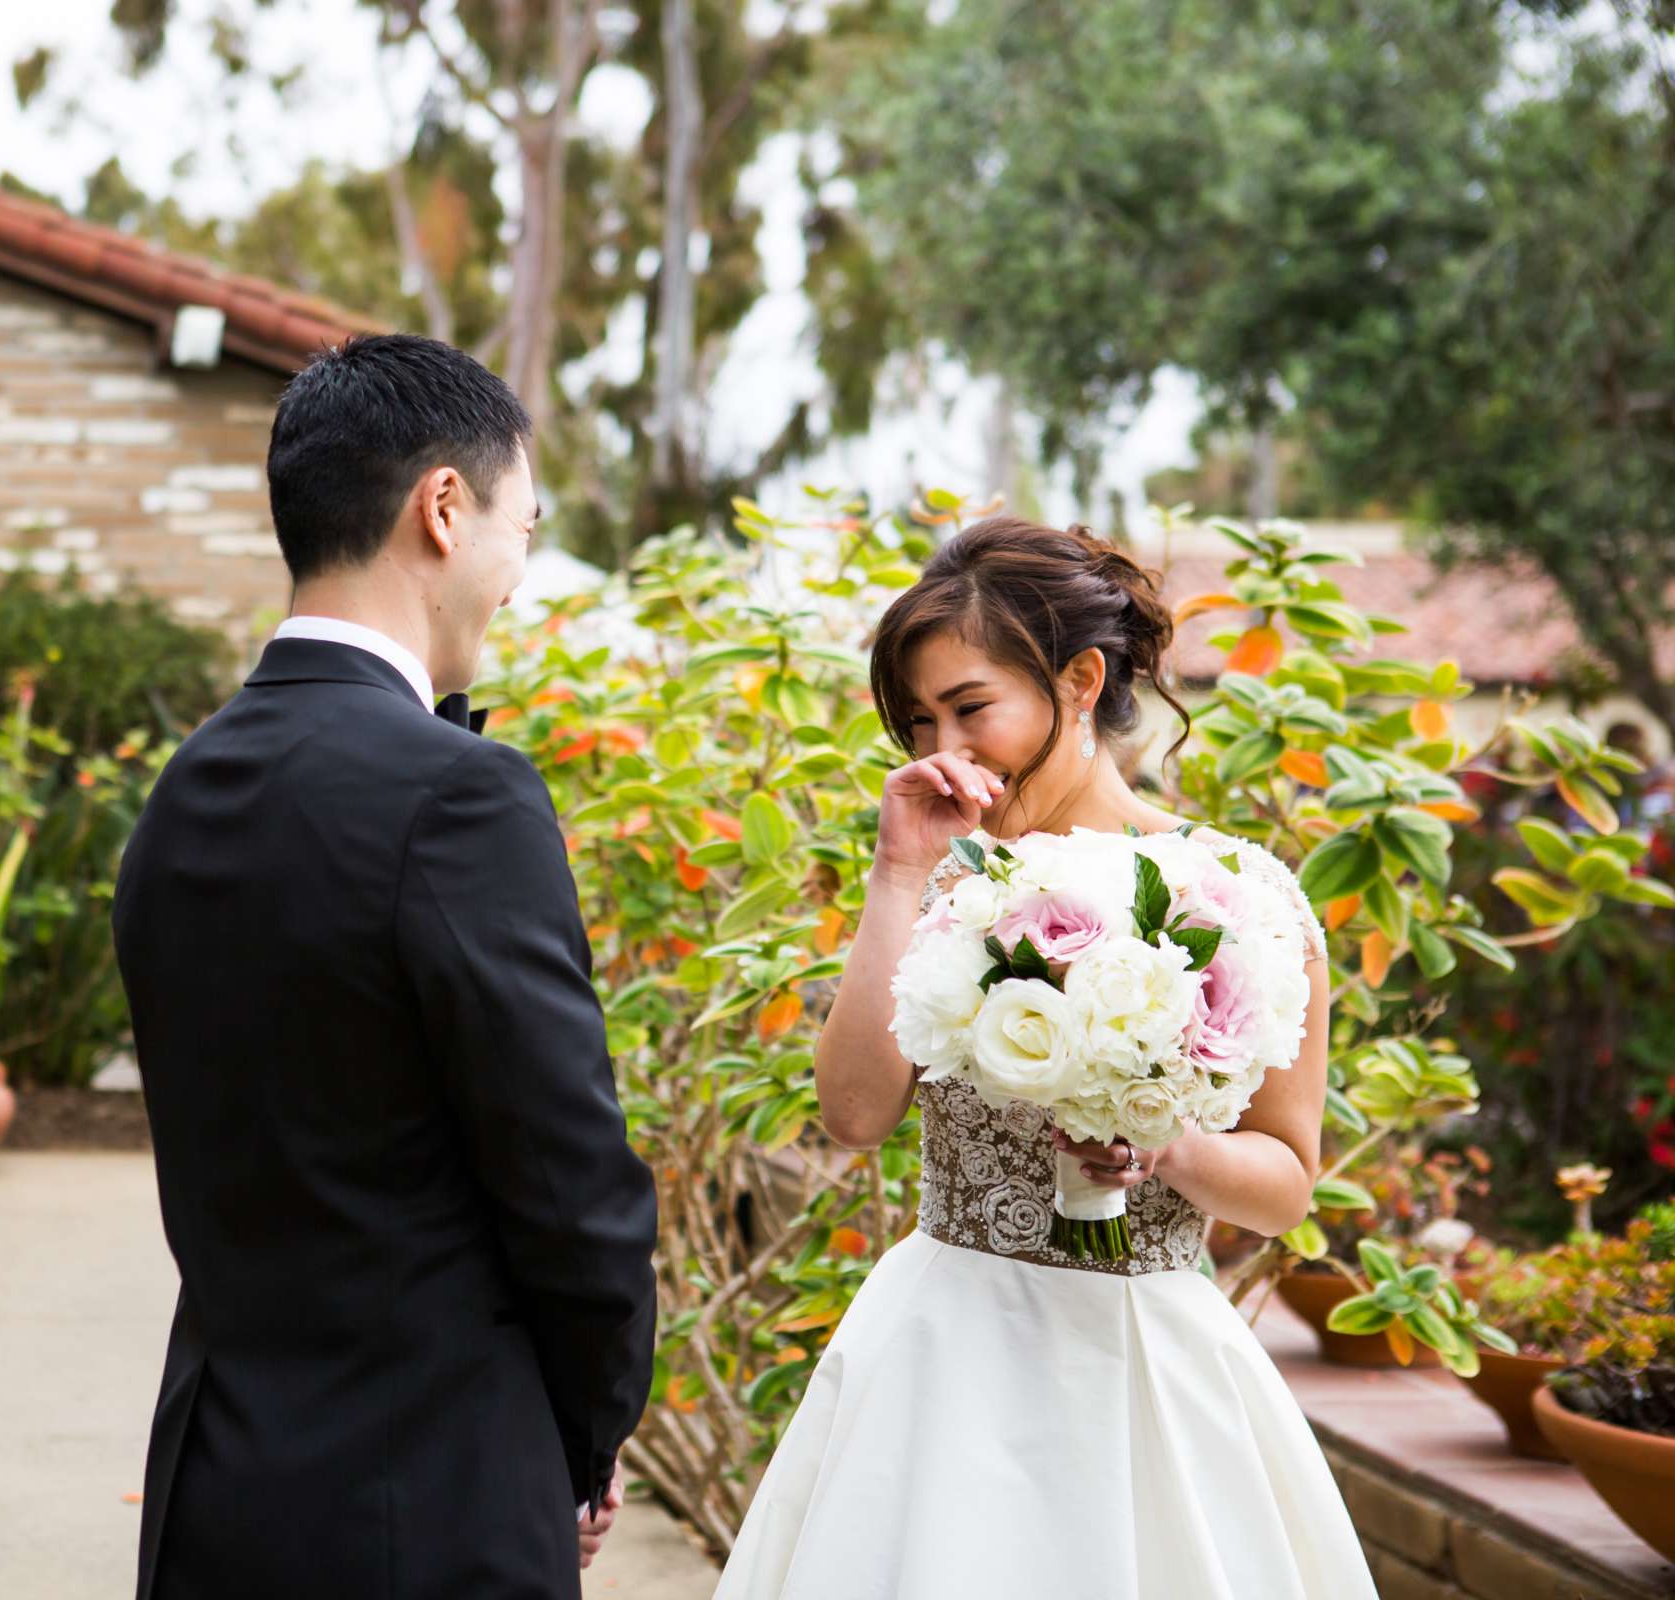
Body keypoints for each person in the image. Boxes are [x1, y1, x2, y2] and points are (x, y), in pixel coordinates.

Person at [714, 517, 1377, 1599]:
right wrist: (897, 871)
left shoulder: (1245, 899)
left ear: (1078, 679)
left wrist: (1164, 1147)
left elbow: (1286, 1185)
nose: (947, 746)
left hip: (1146, 1358)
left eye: (972, 708)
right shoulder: (945, 884)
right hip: (945, 1351)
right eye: (919, 720)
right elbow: (854, 1113)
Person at [111, 333, 659, 1600]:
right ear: (445, 507)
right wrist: (585, 1432)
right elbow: (574, 1184)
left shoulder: (183, 792)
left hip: (215, 1492)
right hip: (430, 1500)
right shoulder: (462, 795)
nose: (520, 572)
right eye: (526, 524)